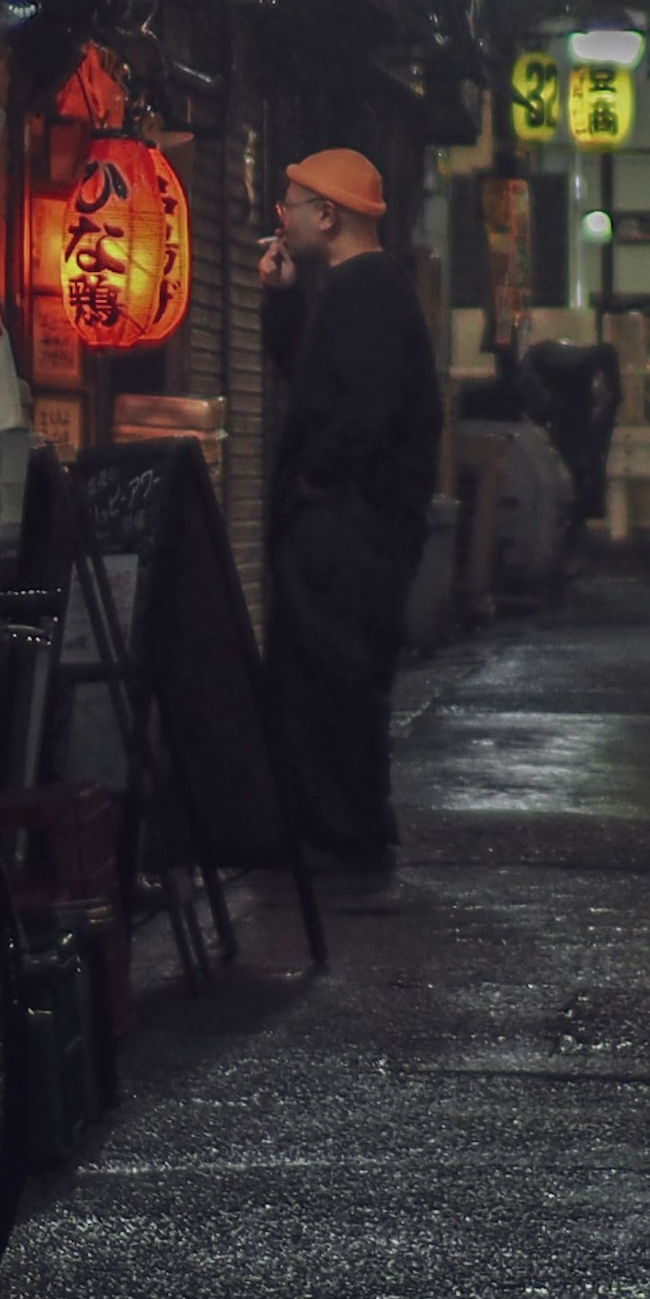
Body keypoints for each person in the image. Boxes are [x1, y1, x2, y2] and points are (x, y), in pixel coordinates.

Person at [257, 145, 441, 872]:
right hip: (346, 527)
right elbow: (309, 381)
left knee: (335, 682)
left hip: (348, 533)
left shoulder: (369, 293)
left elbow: (352, 417)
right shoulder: (357, 288)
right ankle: (334, 833)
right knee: (322, 681)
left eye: (289, 207)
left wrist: (312, 490)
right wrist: (281, 300)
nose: (281, 220)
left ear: (327, 215)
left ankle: (346, 839)